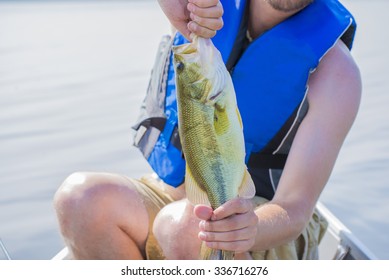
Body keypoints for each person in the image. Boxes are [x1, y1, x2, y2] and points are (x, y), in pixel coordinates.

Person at [53, 0, 361, 260]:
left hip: (264, 221)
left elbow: (294, 209)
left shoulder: (338, 73)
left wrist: (249, 228)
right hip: (176, 192)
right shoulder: (198, 10)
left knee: (185, 228)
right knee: (78, 199)